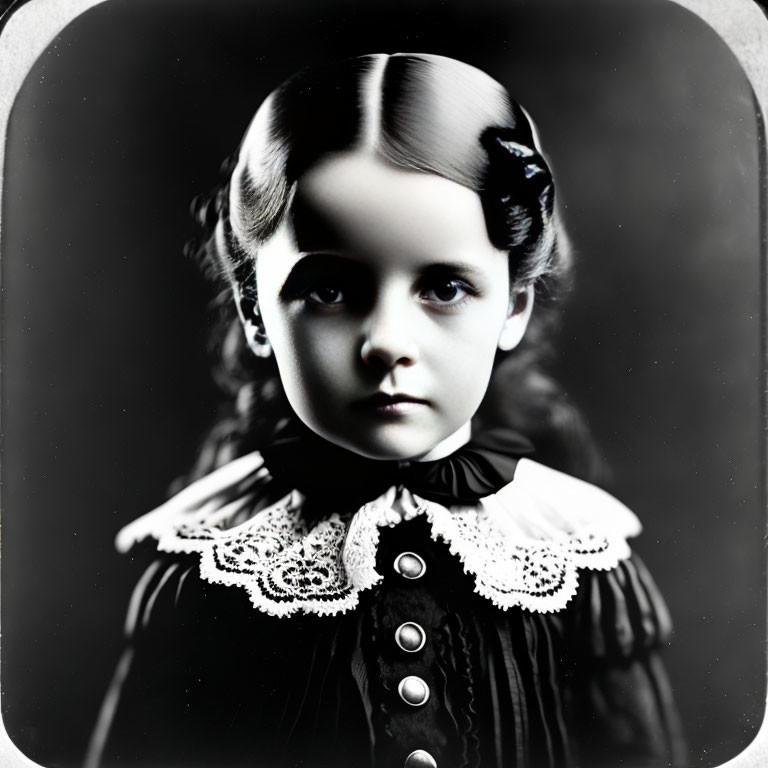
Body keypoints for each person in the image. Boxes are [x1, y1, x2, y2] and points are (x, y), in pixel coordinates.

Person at [86, 53, 686, 768]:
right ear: (255, 308)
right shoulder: (208, 575)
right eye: (332, 291)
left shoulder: (580, 566)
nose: (387, 344)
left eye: (443, 288)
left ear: (513, 305)